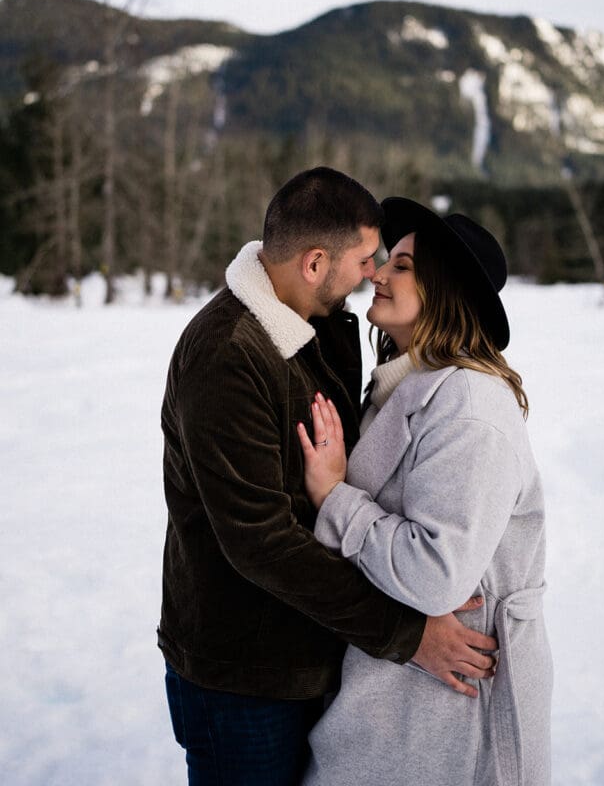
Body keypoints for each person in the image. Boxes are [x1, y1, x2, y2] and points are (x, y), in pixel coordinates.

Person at [158, 170, 498, 786]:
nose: (374, 272)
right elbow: (262, 541)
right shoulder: (229, 355)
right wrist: (407, 633)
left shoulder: (321, 326)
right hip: (246, 676)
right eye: (369, 259)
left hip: (309, 655)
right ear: (315, 263)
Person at [298, 197, 553, 786]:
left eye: (403, 265)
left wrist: (335, 498)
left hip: (454, 710)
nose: (378, 273)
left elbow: (437, 573)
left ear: (445, 291)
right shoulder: (406, 388)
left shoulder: (470, 407)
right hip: (399, 702)